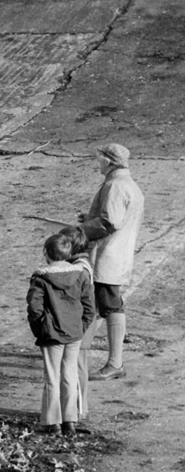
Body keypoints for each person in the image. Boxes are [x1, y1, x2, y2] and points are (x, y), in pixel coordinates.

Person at [77, 143, 144, 381]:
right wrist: (91, 217)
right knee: (101, 304)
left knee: (110, 305)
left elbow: (109, 223)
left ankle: (115, 362)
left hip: (109, 256)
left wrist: (80, 229)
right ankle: (79, 350)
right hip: (118, 253)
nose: (98, 162)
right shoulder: (129, 185)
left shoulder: (115, 186)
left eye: (100, 158)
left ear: (109, 161)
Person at [27, 234, 95, 436]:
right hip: (74, 333)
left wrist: (40, 328)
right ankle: (70, 420)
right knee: (69, 374)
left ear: (46, 253)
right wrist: (80, 328)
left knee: (52, 377)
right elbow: (89, 307)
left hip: (51, 333)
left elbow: (34, 307)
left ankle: (51, 421)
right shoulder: (81, 274)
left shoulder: (41, 278)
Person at [58, 226, 95, 422]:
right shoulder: (84, 264)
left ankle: (80, 409)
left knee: (77, 366)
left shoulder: (79, 269)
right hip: (80, 324)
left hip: (79, 325)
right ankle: (76, 408)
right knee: (76, 365)